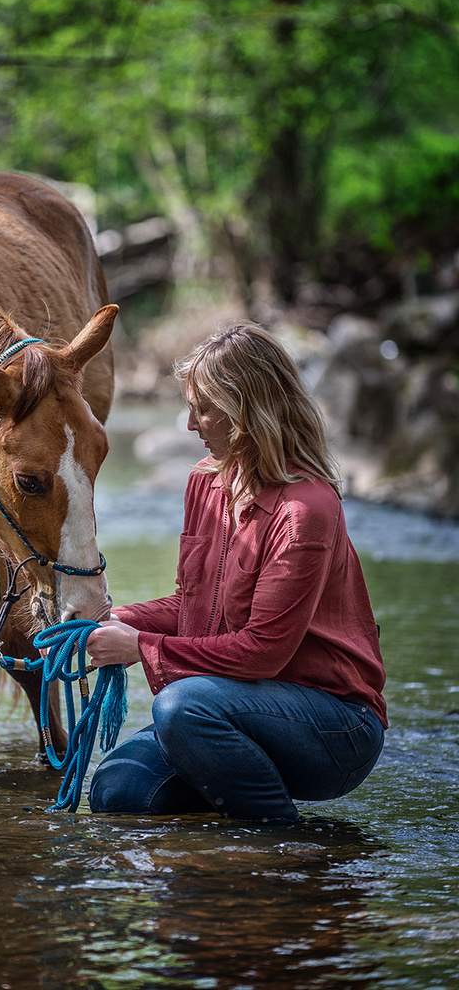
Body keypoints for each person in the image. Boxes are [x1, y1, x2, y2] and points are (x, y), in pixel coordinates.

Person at [86, 321, 387, 824]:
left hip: (337, 726)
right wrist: (112, 619)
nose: (189, 425)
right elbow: (191, 607)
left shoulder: (305, 509)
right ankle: (228, 815)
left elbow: (263, 652)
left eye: (202, 409)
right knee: (118, 789)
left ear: (247, 414)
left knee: (181, 707)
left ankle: (283, 843)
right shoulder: (204, 485)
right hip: (232, 706)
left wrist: (138, 647)